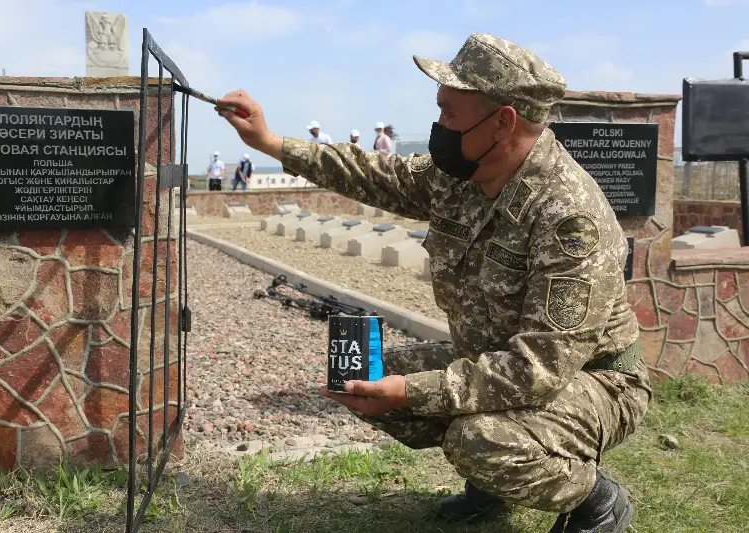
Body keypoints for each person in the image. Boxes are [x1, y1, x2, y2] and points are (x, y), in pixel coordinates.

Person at [214, 32, 650, 533]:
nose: (438, 124)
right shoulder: (464, 173)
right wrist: (270, 143)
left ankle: (596, 499)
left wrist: (413, 393)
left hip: (595, 379)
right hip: (499, 358)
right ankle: (490, 485)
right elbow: (375, 173)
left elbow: (538, 371)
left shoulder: (569, 217)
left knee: (477, 436)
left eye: (448, 112)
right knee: (370, 371)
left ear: (503, 121)